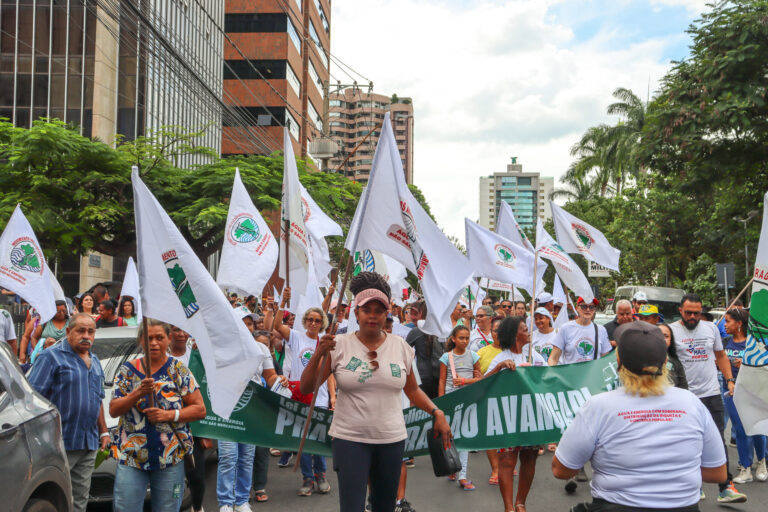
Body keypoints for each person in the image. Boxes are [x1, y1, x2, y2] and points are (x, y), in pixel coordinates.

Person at [299, 272, 452, 512]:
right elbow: (306, 387)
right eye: (366, 309)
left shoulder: (401, 346)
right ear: (356, 313)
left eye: (379, 310)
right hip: (350, 440)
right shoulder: (337, 344)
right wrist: (319, 353)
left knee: (384, 506)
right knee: (352, 507)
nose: (373, 315)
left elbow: (412, 390)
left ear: (387, 314)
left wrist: (436, 412)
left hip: (390, 440)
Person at [552, 321, 728, 511]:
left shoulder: (598, 406)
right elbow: (717, 474)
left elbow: (561, 470)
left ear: (618, 362)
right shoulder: (692, 403)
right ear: (665, 362)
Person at [109, 319, 206, 511]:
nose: (153, 343)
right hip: (132, 458)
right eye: (149, 338)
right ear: (141, 340)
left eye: (159, 338)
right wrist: (137, 392)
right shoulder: (128, 370)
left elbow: (200, 409)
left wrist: (167, 415)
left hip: (169, 459)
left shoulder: (178, 370)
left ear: (168, 339)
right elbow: (113, 409)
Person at [27, 314, 109, 512]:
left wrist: (104, 432)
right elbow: (33, 400)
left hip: (88, 444)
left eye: (90, 331)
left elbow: (97, 399)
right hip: (58, 445)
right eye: (80, 330)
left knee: (79, 501)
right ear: (68, 332)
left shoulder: (95, 361)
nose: (86, 335)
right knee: (52, 498)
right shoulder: (50, 357)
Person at [669, 293, 747, 503]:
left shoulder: (711, 328)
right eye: (689, 313)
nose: (693, 316)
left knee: (717, 441)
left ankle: (726, 487)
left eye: (697, 312)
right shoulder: (672, 331)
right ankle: (694, 486)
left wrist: (730, 379)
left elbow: (720, 356)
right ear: (680, 311)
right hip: (684, 396)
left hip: (711, 394)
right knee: (686, 442)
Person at [217, 309, 288, 511]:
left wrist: (279, 380)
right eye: (242, 323)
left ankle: (241, 500)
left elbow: (270, 376)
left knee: (246, 457)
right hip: (228, 411)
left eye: (250, 324)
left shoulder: (262, 349)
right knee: (228, 457)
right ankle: (225, 502)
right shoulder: (222, 348)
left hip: (251, 411)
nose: (247, 327)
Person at [548, 296, 612, 492]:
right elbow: (554, 358)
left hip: (591, 384)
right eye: (583, 306)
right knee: (570, 425)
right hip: (570, 384)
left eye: (591, 307)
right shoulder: (566, 329)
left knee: (591, 425)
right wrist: (556, 377)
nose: (587, 310)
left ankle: (586, 464)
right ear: (576, 308)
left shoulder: (599, 330)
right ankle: (573, 471)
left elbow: (604, 358)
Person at [273, 290, 333, 496]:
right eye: (310, 319)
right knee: (303, 440)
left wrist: (333, 396)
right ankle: (308, 478)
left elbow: (330, 371)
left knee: (318, 438)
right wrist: (282, 302)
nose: (313, 323)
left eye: (317, 320)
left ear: (322, 323)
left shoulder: (325, 341)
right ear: (305, 321)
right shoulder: (296, 337)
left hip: (321, 397)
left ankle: (321, 475)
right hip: (300, 395)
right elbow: (275, 326)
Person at [485, 316, 546, 512]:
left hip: (531, 415)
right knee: (507, 461)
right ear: (514, 334)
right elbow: (483, 383)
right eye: (524, 329)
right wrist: (499, 368)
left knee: (529, 458)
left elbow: (548, 377)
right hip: (508, 417)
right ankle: (508, 507)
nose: (528, 332)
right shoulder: (501, 357)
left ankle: (521, 503)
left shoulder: (534, 356)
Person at [722, 308, 768, 484]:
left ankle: (762, 462)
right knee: (740, 430)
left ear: (739, 324)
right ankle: (745, 468)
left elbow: (763, 365)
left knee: (756, 428)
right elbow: (721, 363)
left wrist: (747, 364)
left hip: (753, 391)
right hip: (731, 391)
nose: (725, 325)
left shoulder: (754, 343)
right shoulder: (725, 342)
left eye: (728, 321)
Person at [167, 325, 208, 512]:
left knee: (197, 476)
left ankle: (197, 507)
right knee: (173, 479)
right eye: (176, 329)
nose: (181, 334)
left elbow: (207, 393)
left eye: (184, 330)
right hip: (168, 429)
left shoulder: (198, 356)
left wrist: (208, 430)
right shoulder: (161, 359)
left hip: (195, 428)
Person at [438, 325, 481, 491]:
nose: (464, 341)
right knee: (449, 434)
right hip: (450, 398)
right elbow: (442, 380)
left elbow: (481, 378)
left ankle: (462, 475)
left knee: (464, 436)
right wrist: (441, 402)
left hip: (468, 399)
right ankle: (452, 465)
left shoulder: (474, 356)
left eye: (467, 338)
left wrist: (465, 381)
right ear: (453, 339)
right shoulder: (445, 357)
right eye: (461, 338)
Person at [477, 316, 504, 485]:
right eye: (495, 331)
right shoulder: (481, 353)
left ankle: (506, 463)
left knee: (506, 435)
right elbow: (478, 376)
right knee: (491, 434)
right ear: (490, 332)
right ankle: (495, 468)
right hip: (488, 398)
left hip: (509, 398)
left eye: (502, 331)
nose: (498, 334)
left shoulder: (515, 350)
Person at [405, 301, 444, 399]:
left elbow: (404, 351)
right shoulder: (442, 331)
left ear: (421, 313)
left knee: (423, 410)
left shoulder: (416, 331)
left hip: (422, 377)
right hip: (440, 376)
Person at [658, 323, 688, 390]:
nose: (662, 339)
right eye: (658, 335)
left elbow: (684, 388)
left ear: (670, 340)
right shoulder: (643, 360)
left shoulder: (675, 362)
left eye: (666, 336)